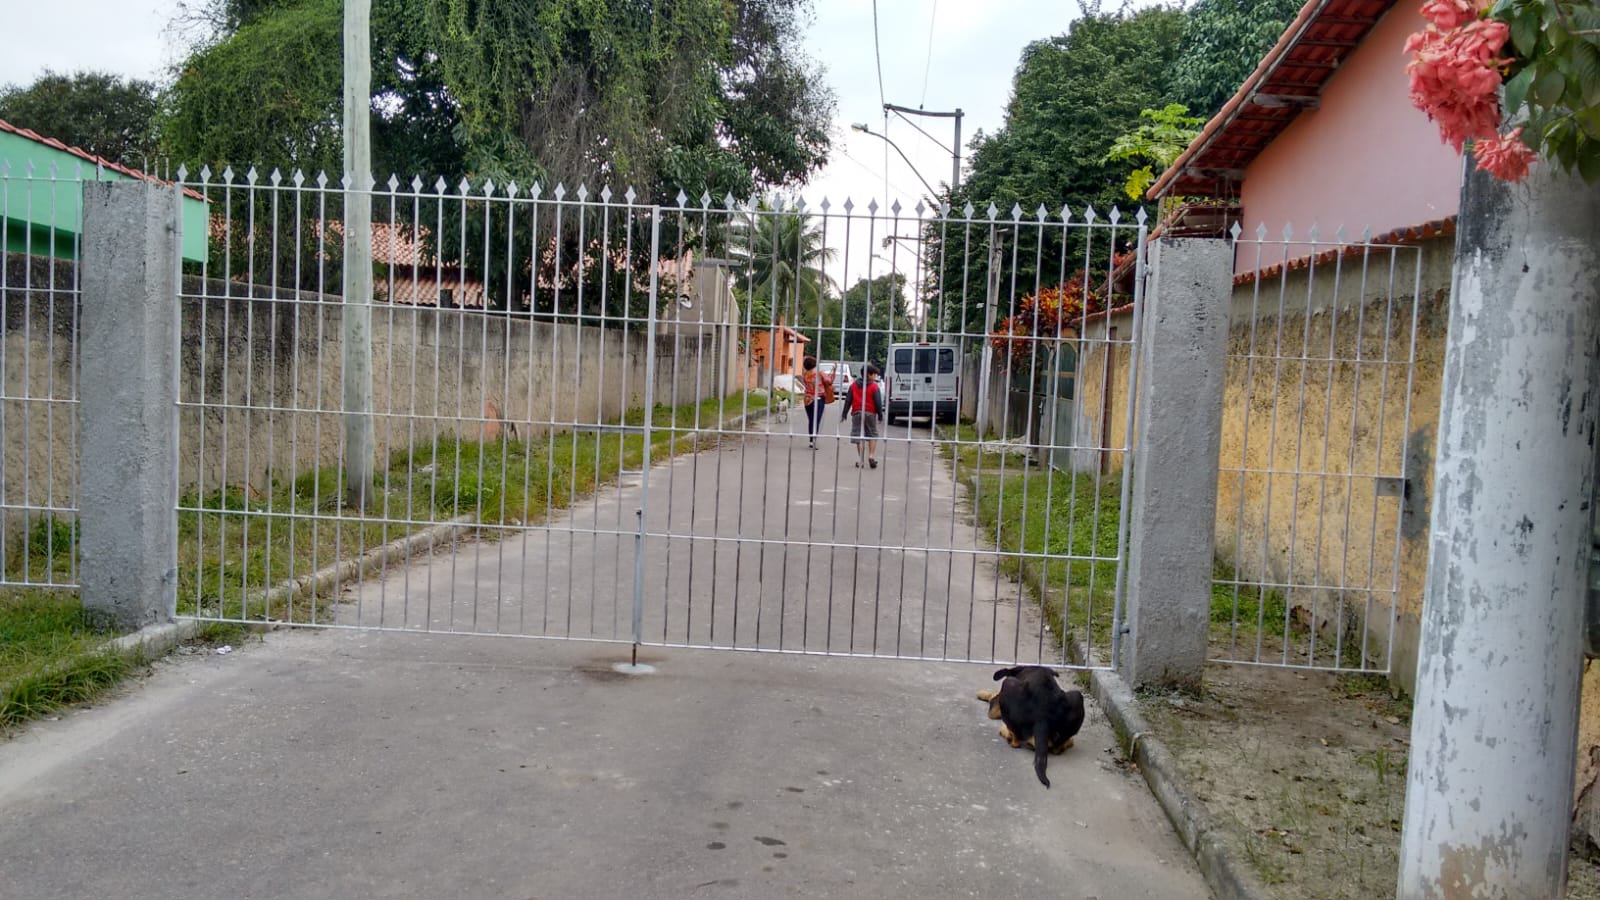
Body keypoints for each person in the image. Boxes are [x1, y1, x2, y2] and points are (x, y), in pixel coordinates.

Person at [841, 363, 884, 469]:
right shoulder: (874, 386)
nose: (875, 377)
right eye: (874, 374)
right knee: (872, 434)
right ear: (869, 375)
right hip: (870, 413)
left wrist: (844, 413)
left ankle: (861, 460)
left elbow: (848, 400)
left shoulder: (853, 386)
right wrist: (880, 414)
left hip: (857, 413)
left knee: (859, 436)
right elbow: (878, 402)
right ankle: (871, 456)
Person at [798, 356, 833, 449]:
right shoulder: (819, 373)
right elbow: (829, 381)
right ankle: (814, 440)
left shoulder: (805, 374)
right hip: (818, 398)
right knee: (816, 420)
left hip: (807, 399)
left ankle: (811, 440)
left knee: (811, 420)